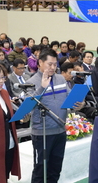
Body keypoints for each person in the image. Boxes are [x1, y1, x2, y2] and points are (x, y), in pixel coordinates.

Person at [26, 48, 69, 183]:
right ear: (40, 63)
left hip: (60, 130)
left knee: (55, 169)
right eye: (49, 64)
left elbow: (69, 97)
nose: (53, 67)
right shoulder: (31, 82)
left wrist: (78, 103)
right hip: (42, 133)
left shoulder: (61, 78)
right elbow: (28, 106)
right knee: (40, 170)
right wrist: (42, 87)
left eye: (55, 64)